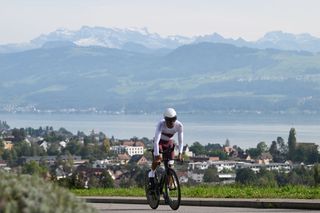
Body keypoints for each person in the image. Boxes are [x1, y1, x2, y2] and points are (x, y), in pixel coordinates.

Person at [148, 108, 184, 188]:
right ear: (165, 119)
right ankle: (151, 173)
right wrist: (157, 155)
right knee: (158, 159)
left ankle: (168, 186)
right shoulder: (161, 124)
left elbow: (180, 142)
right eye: (169, 120)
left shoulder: (179, 125)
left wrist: (180, 153)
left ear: (175, 119)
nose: (171, 122)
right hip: (159, 142)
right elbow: (156, 141)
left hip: (168, 142)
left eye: (173, 120)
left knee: (170, 165)